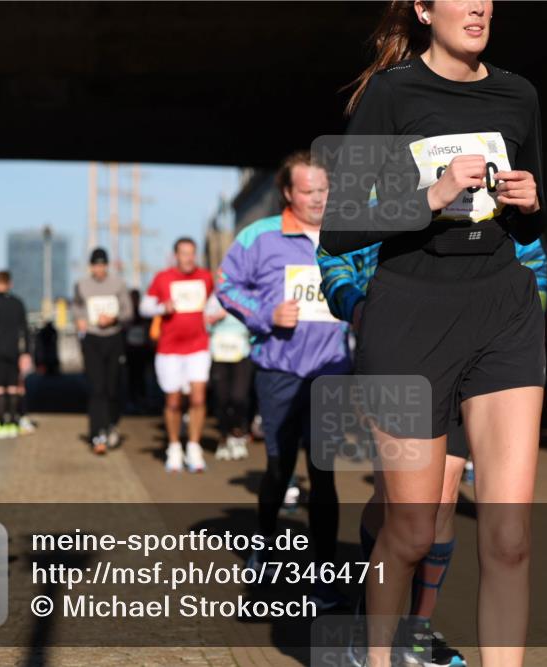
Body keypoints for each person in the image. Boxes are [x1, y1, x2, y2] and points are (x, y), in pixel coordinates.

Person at [320, 3, 547, 663]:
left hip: (503, 310)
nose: (478, 6)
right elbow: (338, 226)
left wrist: (532, 203)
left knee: (509, 536)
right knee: (413, 527)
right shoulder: (391, 95)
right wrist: (433, 193)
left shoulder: (519, 94)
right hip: (412, 315)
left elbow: (529, 226)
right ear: (423, 8)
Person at [318, 235, 547, 667]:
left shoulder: (493, 170)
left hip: (488, 343)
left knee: (446, 500)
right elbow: (334, 253)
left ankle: (417, 628)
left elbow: (531, 249)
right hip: (402, 340)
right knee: (403, 516)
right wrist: (357, 307)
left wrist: (528, 315)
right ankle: (373, 630)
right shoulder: (379, 172)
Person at [217, 150, 351, 610]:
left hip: (332, 371)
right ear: (289, 193)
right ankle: (264, 539)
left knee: (324, 473)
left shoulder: (349, 235)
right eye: (309, 191)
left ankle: (324, 577)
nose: (318, 198)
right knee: (278, 468)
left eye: (324, 189)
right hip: (278, 369)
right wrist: (263, 314)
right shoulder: (259, 236)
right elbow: (226, 285)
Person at [140, 237, 213, 472]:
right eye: (184, 253)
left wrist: (215, 313)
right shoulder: (163, 277)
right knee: (172, 401)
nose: (188, 258)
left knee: (198, 398)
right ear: (176, 256)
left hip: (198, 346)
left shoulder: (205, 277)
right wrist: (163, 308)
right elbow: (144, 307)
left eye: (192, 253)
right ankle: (174, 446)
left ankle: (193, 446)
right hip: (169, 349)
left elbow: (217, 302)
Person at [72, 247, 133, 455]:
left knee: (112, 386)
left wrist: (113, 319)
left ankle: (111, 424)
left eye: (102, 265)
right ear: (91, 267)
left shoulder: (119, 284)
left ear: (107, 266)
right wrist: (79, 320)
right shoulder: (82, 285)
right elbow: (77, 307)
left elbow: (128, 312)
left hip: (113, 338)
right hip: (92, 339)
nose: (99, 269)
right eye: (96, 265)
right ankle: (97, 433)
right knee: (96, 388)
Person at [0, 271, 33, 439]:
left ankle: (2, 423)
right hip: (15, 352)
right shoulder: (18, 303)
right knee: (14, 386)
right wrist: (26, 353)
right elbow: (25, 330)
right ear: (10, 283)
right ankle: (14, 423)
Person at [205, 296, 253, 460]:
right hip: (219, 353)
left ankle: (238, 434)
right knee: (221, 398)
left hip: (241, 352)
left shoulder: (247, 296)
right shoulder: (214, 299)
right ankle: (223, 437)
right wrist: (216, 317)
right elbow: (204, 324)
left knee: (239, 396)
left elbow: (256, 322)